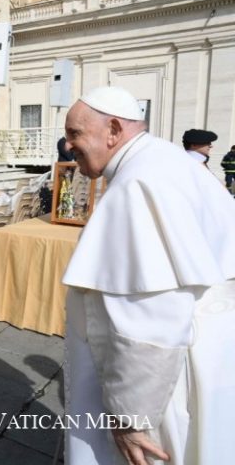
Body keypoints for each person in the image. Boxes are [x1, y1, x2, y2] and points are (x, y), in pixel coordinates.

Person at [61, 86, 235, 465]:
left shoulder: (136, 184)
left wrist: (130, 416)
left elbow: (152, 314)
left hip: (161, 384)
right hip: (202, 355)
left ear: (113, 130)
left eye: (75, 133)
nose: (68, 145)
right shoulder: (166, 159)